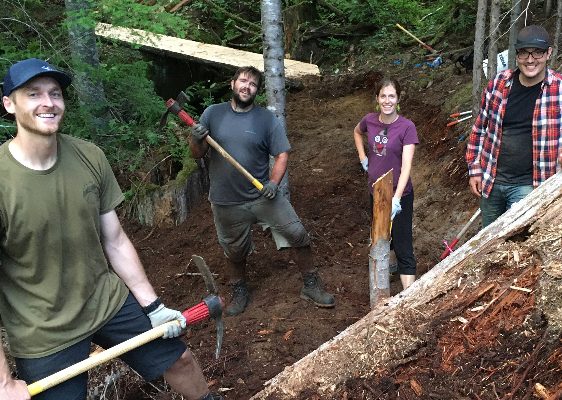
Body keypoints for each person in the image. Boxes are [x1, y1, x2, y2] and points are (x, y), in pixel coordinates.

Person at [0, 58, 221, 400]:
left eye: (55, 93)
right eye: (33, 94)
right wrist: (3, 382)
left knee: (180, 360)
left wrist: (154, 307)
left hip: (106, 301)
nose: (48, 102)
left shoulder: (89, 157)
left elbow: (114, 240)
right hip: (42, 331)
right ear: (9, 104)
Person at [188, 66, 335, 316]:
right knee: (234, 250)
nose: (247, 87)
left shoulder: (266, 119)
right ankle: (239, 290)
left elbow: (282, 154)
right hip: (226, 200)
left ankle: (311, 285)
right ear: (233, 83)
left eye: (253, 84)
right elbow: (197, 154)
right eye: (243, 81)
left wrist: (273, 183)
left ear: (257, 91)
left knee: (297, 233)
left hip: (261, 195)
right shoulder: (213, 114)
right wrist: (196, 138)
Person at [466, 25, 562, 227]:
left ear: (549, 53)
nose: (530, 59)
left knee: (515, 241)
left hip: (531, 185)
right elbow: (479, 129)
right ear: (516, 54)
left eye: (537, 52)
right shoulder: (499, 83)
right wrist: (475, 169)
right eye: (524, 52)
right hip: (491, 181)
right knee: (487, 240)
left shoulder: (559, 90)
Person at [353, 77, 418, 290]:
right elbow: (356, 132)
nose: (387, 100)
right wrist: (363, 156)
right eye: (383, 96)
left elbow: (407, 166)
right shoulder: (370, 121)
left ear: (398, 99)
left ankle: (410, 297)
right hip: (376, 192)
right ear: (377, 98)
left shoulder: (407, 127)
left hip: (400, 195)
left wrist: (397, 198)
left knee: (402, 245)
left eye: (392, 96)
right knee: (380, 239)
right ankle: (382, 285)